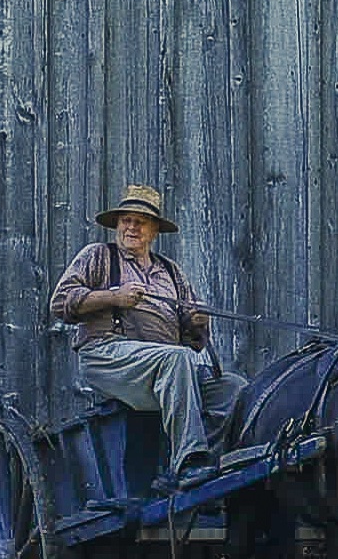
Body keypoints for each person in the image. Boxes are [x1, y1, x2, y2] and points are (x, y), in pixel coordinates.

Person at [47, 185, 243, 487]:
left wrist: (197, 322)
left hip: (165, 368)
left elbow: (193, 339)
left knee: (234, 388)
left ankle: (217, 465)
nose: (131, 227)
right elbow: (61, 303)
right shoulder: (98, 256)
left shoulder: (171, 271)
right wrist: (113, 297)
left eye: (141, 221)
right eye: (126, 220)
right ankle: (188, 463)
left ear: (154, 231)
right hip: (107, 355)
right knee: (176, 359)